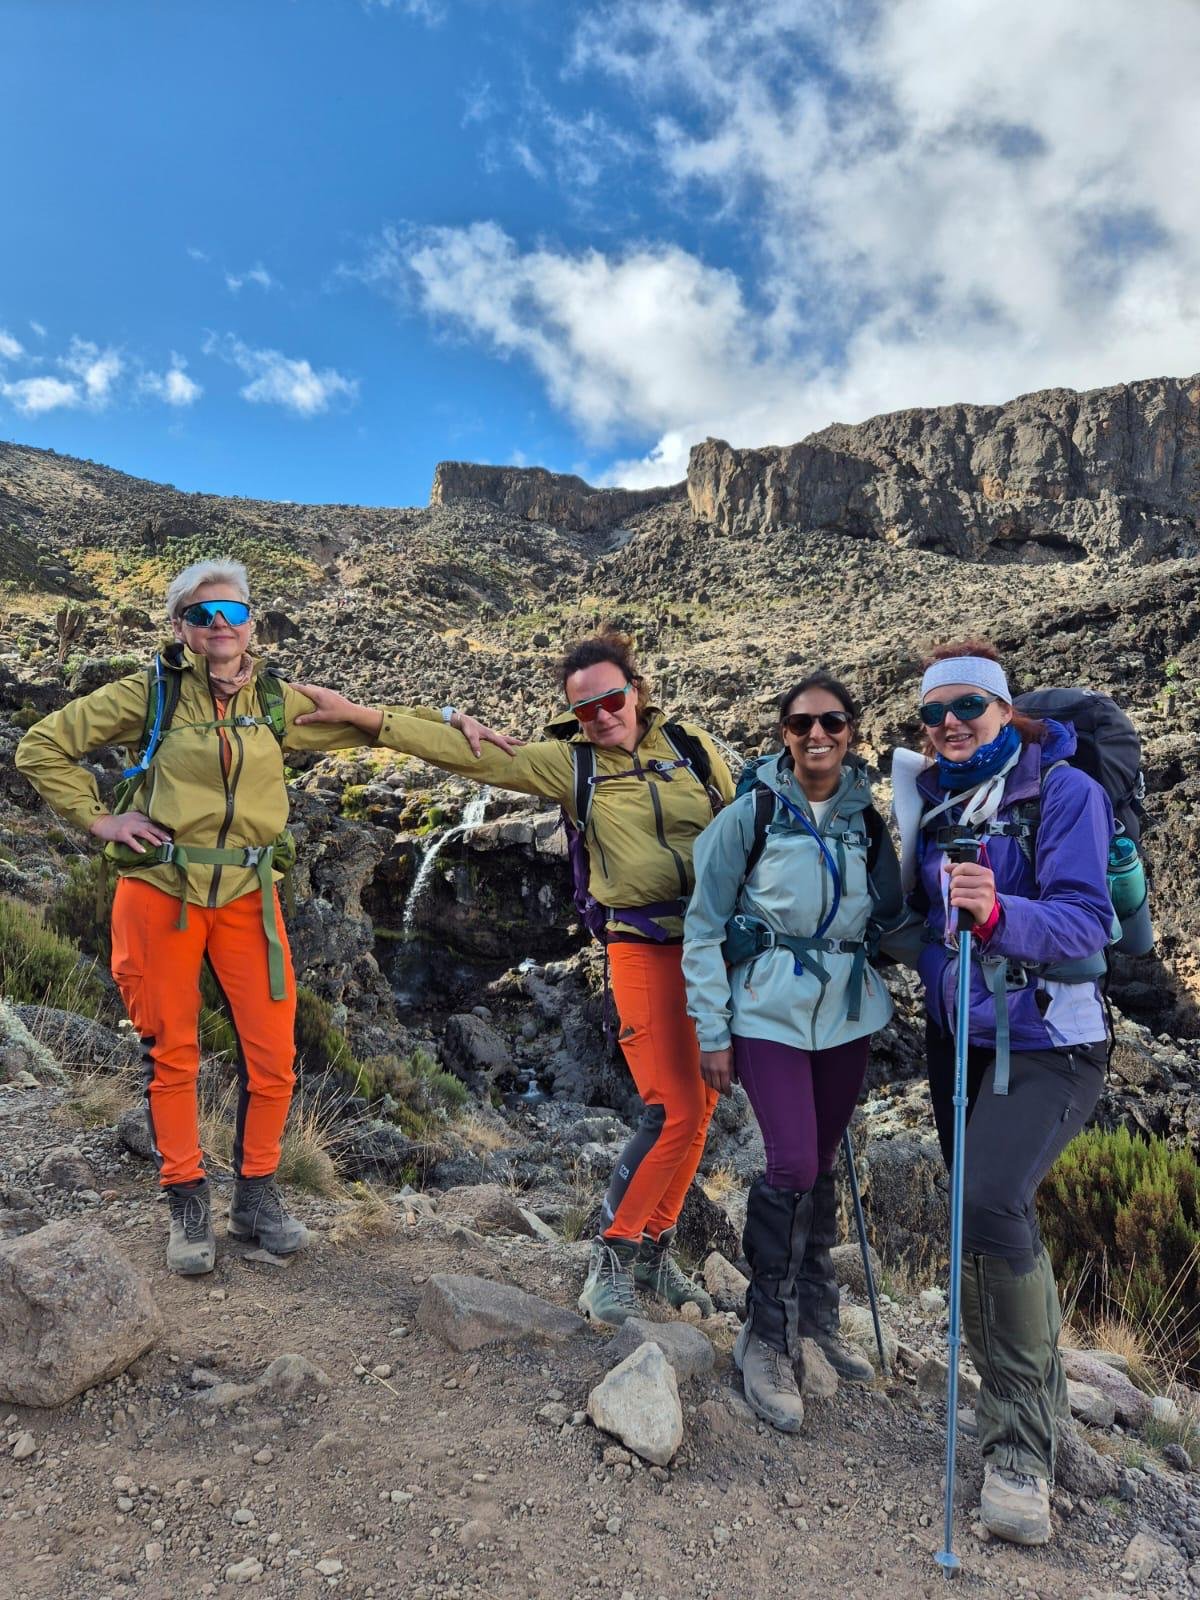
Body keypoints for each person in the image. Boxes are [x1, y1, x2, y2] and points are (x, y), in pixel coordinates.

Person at [15, 558, 510, 1277]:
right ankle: (186, 1203)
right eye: (202, 615)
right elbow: (40, 747)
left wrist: (451, 723)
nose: (220, 625)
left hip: (250, 896)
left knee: (273, 1055)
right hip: (163, 892)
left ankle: (256, 1199)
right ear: (181, 629)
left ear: (253, 624)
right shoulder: (148, 694)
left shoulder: (277, 701)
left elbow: (371, 727)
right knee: (172, 1051)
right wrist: (100, 819)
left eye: (233, 613)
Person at [294, 627, 735, 1325]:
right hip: (641, 947)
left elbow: (747, 830)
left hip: (713, 951)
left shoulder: (692, 748)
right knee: (671, 1108)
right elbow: (467, 756)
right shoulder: (571, 765)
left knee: (704, 1107)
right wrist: (367, 719)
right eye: (586, 710)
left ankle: (656, 1250)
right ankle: (611, 1257)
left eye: (612, 699)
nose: (602, 717)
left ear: (637, 691)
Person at [892, 639, 1114, 1547]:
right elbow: (919, 921)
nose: (949, 727)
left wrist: (998, 916)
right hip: (964, 1043)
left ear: (1004, 711)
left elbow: (1086, 918)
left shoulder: (1063, 792)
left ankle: (1019, 1450)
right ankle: (1036, 1409)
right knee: (983, 1220)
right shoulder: (932, 801)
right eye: (933, 715)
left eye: (968, 710)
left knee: (987, 1202)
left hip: (1053, 1041)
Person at [682, 673, 904, 1431]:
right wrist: (712, 1030)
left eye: (833, 722)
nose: (818, 735)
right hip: (767, 1012)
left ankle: (815, 1314)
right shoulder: (752, 815)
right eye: (803, 723)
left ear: (851, 732)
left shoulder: (866, 823)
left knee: (826, 1153)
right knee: (792, 1164)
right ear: (783, 733)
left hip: (845, 1014)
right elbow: (705, 926)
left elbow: (891, 918)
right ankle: (764, 1335)